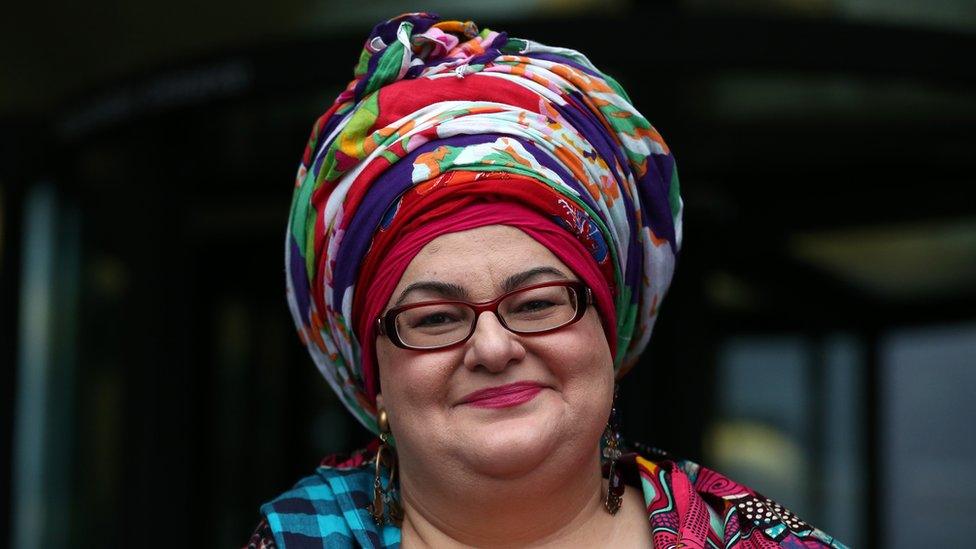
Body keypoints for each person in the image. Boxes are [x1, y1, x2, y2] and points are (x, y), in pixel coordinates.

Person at [246, 12, 848, 548]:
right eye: (433, 319)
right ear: (375, 381)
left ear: (607, 334)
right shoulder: (298, 539)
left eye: (536, 303)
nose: (493, 348)